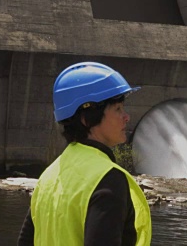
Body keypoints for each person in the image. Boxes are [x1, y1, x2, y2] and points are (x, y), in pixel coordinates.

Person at [18, 62, 151, 246]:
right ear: (86, 118)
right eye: (118, 109)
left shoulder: (49, 176)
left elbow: (25, 242)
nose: (126, 116)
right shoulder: (108, 179)